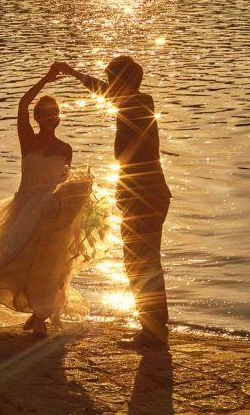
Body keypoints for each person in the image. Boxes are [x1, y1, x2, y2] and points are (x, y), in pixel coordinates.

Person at [0, 68, 108, 337]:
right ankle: (29, 308)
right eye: (45, 114)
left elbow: (64, 182)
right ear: (37, 118)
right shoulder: (28, 140)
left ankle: (39, 316)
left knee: (48, 265)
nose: (50, 118)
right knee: (15, 261)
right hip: (23, 207)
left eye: (54, 113)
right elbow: (23, 103)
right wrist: (45, 80)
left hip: (51, 212)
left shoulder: (65, 148)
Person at [54, 56, 171, 350]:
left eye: (112, 79)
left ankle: (153, 333)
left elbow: (108, 94)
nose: (109, 85)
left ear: (123, 82)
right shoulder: (139, 102)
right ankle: (154, 329)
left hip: (142, 195)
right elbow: (105, 92)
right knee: (142, 263)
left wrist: (74, 74)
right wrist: (73, 73)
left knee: (140, 264)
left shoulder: (137, 104)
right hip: (146, 192)